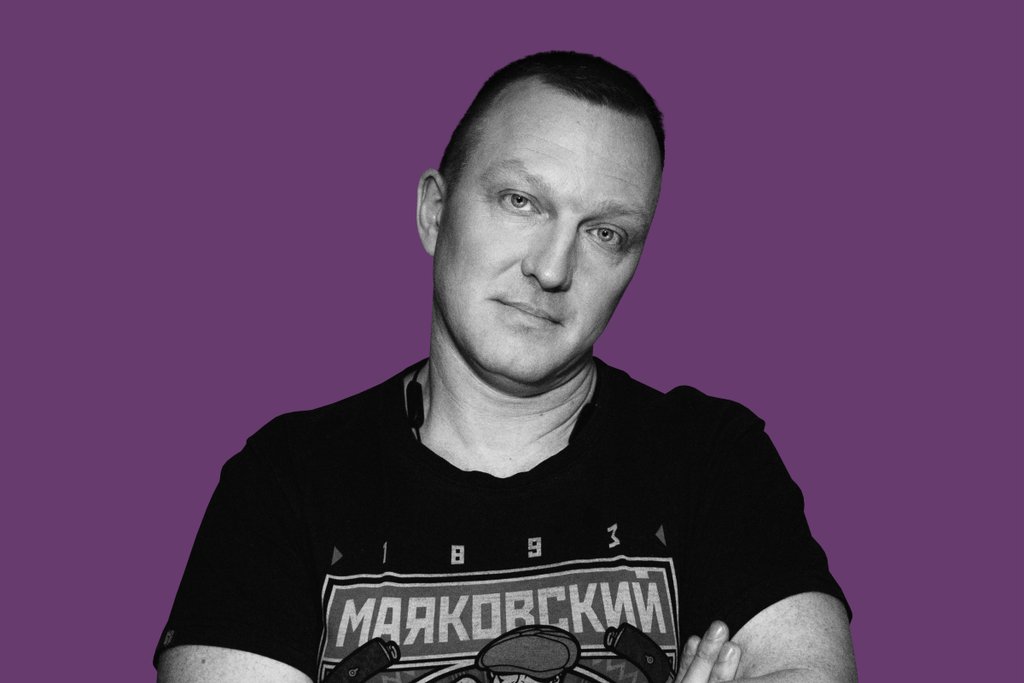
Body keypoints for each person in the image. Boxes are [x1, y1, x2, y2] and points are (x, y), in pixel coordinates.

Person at [155, 51, 856, 683]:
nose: (552, 268)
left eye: (605, 233)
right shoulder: (286, 479)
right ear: (435, 213)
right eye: (521, 202)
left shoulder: (711, 457)